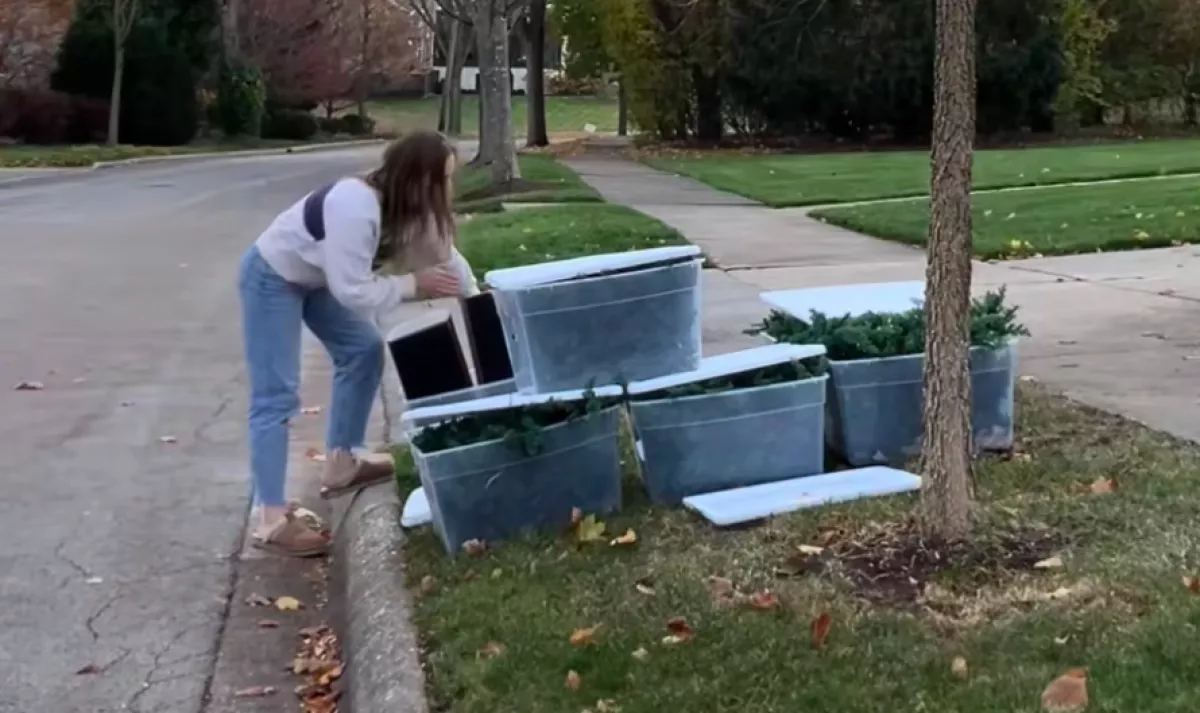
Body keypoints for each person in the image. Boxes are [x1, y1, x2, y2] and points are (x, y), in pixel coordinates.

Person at [238, 131, 478, 557]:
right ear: (415, 178)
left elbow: (446, 259)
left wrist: (479, 302)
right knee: (276, 395)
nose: (448, 188)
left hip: (316, 280)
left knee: (363, 350)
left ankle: (343, 462)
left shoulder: (410, 209)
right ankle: (270, 519)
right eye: (442, 179)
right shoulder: (355, 205)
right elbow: (352, 291)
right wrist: (412, 284)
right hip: (273, 276)